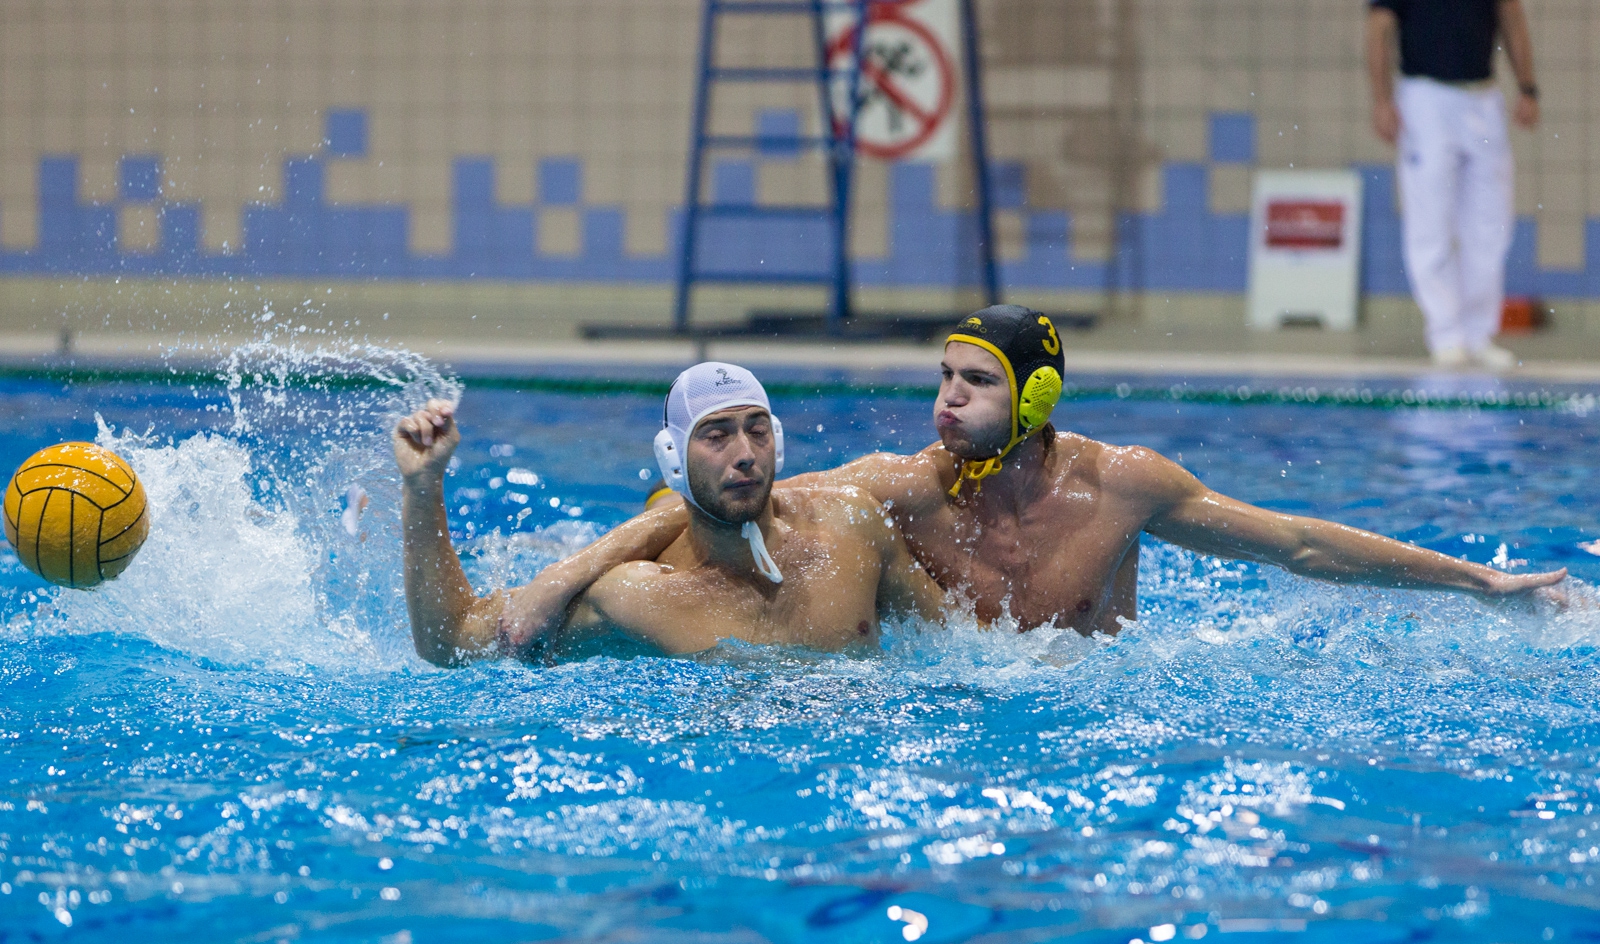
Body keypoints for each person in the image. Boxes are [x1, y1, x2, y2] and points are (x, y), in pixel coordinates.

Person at [647, 306, 1566, 635]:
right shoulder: (902, 487)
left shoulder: (1121, 486)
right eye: (944, 378)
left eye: (976, 382)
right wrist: (581, 566)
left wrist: (1477, 580)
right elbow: (723, 498)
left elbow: (1297, 545)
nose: (946, 402)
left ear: (1036, 398)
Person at [393, 362, 944, 664]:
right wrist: (423, 487)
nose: (745, 452)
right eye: (716, 435)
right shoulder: (639, 596)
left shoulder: (851, 528)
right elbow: (451, 642)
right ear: (673, 458)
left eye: (757, 429)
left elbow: (960, 644)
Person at [1366, 0, 1539, 370]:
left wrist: (1527, 87)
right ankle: (1446, 335)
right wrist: (1381, 100)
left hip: (1483, 98)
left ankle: (1478, 334)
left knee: (1490, 224)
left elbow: (1511, 18)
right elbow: (1378, 29)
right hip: (1425, 99)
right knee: (1430, 220)